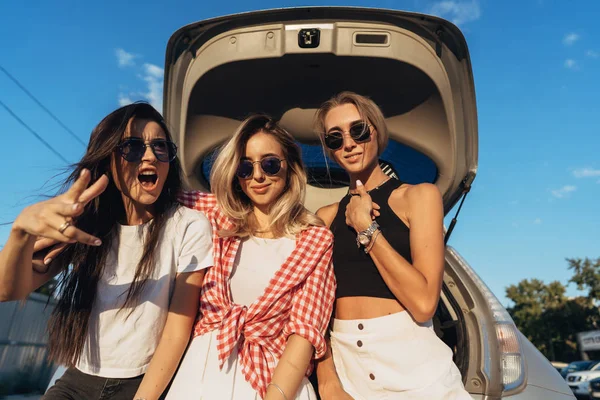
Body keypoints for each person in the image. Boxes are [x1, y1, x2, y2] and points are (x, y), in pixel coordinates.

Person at [0, 103, 213, 400]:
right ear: (109, 159)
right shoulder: (86, 224)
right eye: (133, 147)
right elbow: (7, 290)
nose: (150, 155)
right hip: (77, 379)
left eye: (160, 147)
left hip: (142, 384)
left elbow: (178, 330)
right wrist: (20, 233)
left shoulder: (189, 225)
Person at [313, 92, 470, 399]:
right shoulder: (325, 217)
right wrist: (327, 377)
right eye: (335, 138)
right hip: (348, 372)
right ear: (329, 150)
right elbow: (315, 310)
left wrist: (367, 229)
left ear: (376, 131)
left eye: (358, 130)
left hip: (415, 368)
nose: (348, 143)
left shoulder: (419, 197)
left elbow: (425, 303)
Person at [167, 114, 336, 400]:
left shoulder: (315, 241)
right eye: (246, 167)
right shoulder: (215, 217)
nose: (258, 176)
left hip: (275, 382)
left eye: (270, 164)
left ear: (290, 167)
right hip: (201, 375)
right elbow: (152, 197)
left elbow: (304, 332)